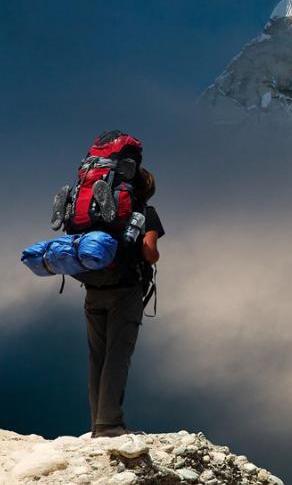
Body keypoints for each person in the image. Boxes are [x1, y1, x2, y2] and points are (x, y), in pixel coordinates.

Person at [82, 167, 164, 438]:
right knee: (118, 356)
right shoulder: (145, 212)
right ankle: (109, 425)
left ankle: (98, 424)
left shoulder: (100, 214)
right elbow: (149, 252)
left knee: (98, 356)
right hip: (126, 291)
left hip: (93, 287)